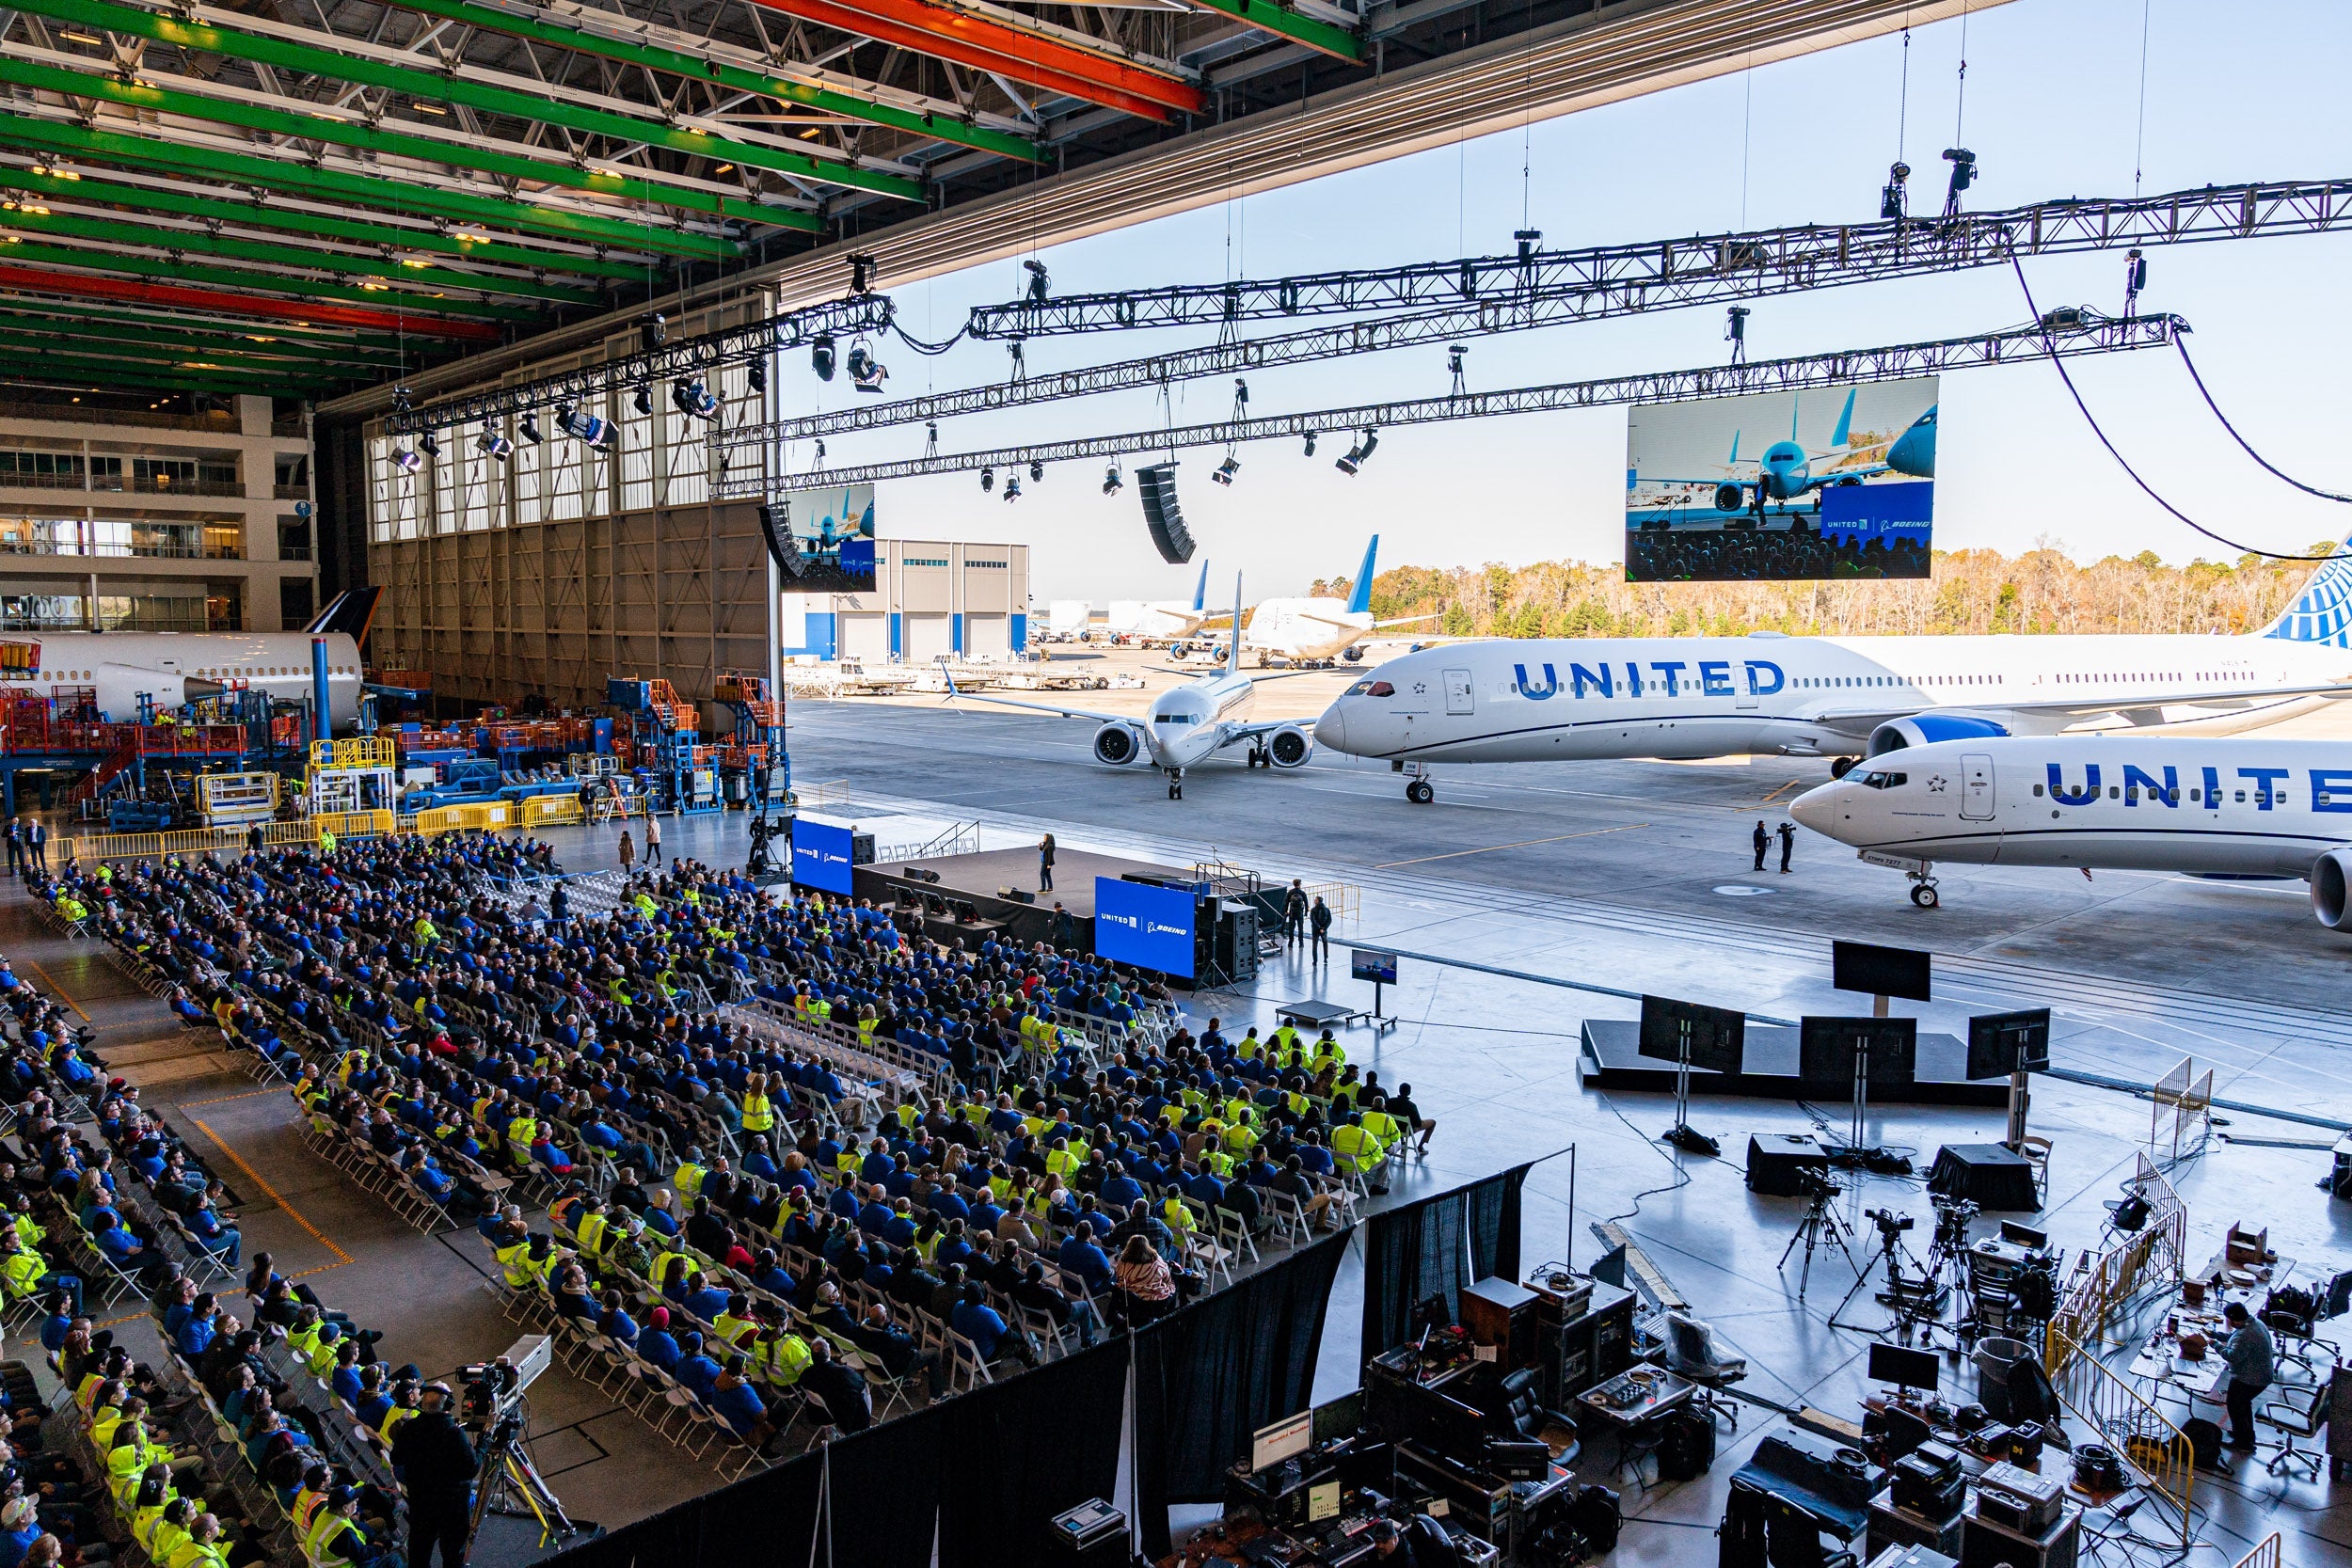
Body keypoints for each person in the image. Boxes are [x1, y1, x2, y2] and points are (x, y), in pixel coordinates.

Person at [389, 1384, 476, 1568]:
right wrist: (483, 1444)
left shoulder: (410, 1427)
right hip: (452, 1507)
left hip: (421, 1502)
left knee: (419, 1553)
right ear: (448, 1404)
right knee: (453, 1556)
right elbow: (472, 1468)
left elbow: (396, 1458)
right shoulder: (454, 1433)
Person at [2218, 1301, 2275, 1453]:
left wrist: (2215, 1345)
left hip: (2250, 1378)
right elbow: (2234, 1337)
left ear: (2232, 1319)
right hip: (2261, 1375)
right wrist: (2215, 1335)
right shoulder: (2254, 1323)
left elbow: (2233, 1356)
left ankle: (2243, 1443)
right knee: (2243, 1404)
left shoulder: (2246, 1335)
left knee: (2235, 1406)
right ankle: (2245, 1434)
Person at [1283, 879, 1307, 946]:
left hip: (1292, 913)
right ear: (1299, 884)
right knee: (1300, 929)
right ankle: (1301, 943)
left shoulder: (1290, 892)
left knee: (1291, 929)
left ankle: (1290, 942)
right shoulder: (1302, 893)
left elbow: (1286, 903)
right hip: (1300, 913)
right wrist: (1306, 913)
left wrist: (1285, 911)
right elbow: (1306, 903)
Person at [1309, 895, 1332, 963]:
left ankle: (1315, 960)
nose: (1314, 901)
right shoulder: (1327, 909)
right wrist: (1324, 928)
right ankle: (1325, 958)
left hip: (1315, 930)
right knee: (1325, 943)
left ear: (1318, 901)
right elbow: (1329, 920)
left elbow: (1313, 920)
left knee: (1315, 945)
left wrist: (1319, 927)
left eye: (1315, 900)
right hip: (1324, 930)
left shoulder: (1313, 910)